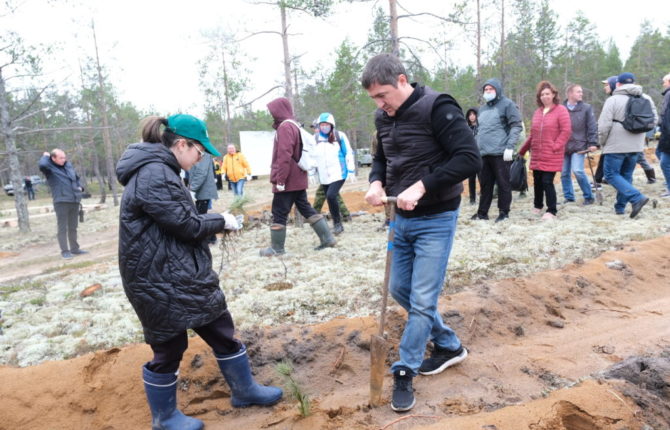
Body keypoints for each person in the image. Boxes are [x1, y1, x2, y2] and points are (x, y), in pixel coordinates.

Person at [116, 114, 282, 430]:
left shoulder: (164, 171)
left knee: (220, 327)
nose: (201, 157)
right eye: (199, 150)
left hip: (180, 272)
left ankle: (245, 390)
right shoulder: (154, 174)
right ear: (181, 144)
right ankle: (164, 418)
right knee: (169, 346)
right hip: (154, 277)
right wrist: (222, 220)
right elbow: (186, 225)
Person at [361, 54, 480, 412]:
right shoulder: (383, 117)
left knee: (423, 299)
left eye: (383, 95)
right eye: (374, 100)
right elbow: (383, 158)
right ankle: (448, 344)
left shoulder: (438, 107)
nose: (380, 105)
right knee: (400, 288)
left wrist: (423, 186)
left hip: (436, 219)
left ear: (401, 80)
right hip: (400, 218)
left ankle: (404, 369)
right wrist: (376, 181)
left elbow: (468, 158)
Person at [260, 97, 336, 256]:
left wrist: (280, 179)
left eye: (272, 111)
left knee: (279, 211)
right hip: (297, 178)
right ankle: (327, 238)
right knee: (305, 207)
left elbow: (284, 155)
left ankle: (276, 248)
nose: (271, 114)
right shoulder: (293, 125)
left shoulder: (285, 127)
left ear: (279, 110)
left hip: (287, 179)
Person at [598, 72, 657, 218]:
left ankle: (637, 198)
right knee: (626, 175)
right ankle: (620, 208)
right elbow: (654, 121)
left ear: (618, 84)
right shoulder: (646, 98)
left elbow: (604, 126)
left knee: (611, 175)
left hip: (615, 145)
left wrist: (602, 142)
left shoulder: (613, 100)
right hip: (637, 145)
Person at [518, 80, 572, 220]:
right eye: (542, 94)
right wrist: (522, 150)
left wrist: (556, 146)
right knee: (537, 181)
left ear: (553, 94)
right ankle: (538, 205)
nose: (545, 96)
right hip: (537, 153)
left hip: (552, 153)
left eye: (547, 93)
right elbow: (533, 134)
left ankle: (552, 210)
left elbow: (566, 131)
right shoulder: (537, 112)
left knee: (547, 181)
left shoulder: (561, 110)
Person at [472, 78, 523, 222]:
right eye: (486, 90)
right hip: (483, 154)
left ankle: (503, 212)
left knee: (503, 184)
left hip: (501, 153)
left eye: (491, 89)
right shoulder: (482, 109)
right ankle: (482, 213)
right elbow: (479, 131)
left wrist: (510, 147)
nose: (488, 92)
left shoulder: (507, 105)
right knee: (485, 185)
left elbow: (516, 126)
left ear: (497, 90)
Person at [311, 112, 355, 235]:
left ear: (332, 125)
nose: (324, 127)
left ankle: (338, 224)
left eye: (326, 124)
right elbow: (312, 157)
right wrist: (311, 172)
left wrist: (351, 169)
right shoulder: (315, 138)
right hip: (324, 175)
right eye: (322, 124)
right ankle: (337, 224)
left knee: (331, 195)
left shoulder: (339, 136)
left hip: (339, 173)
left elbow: (348, 152)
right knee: (330, 199)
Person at [39, 149, 87, 259]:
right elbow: (42, 165)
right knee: (62, 228)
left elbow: (76, 178)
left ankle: (75, 249)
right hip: (61, 201)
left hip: (74, 200)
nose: (63, 160)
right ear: (53, 158)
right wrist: (45, 156)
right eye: (61, 158)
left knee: (73, 227)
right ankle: (65, 251)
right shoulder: (49, 168)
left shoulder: (68, 166)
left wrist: (81, 187)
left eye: (64, 157)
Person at [561, 84, 598, 205]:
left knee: (577, 170)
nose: (581, 94)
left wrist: (593, 143)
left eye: (581, 92)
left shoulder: (586, 108)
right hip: (563, 146)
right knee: (564, 172)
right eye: (578, 92)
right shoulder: (560, 108)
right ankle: (569, 197)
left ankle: (589, 196)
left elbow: (592, 126)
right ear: (570, 94)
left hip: (580, 146)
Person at [189, 147, 219, 244]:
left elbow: (201, 173)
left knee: (201, 216)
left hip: (203, 191)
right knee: (202, 215)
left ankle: (210, 239)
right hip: (200, 191)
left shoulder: (204, 154)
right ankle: (211, 238)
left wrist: (192, 189)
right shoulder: (197, 152)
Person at [657, 72, 670, 198]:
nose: (663, 84)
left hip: (668, 136)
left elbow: (666, 117)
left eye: (664, 81)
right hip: (666, 134)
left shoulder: (669, 94)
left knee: (664, 162)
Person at [465, 107, 479, 205]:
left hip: (481, 155)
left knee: (483, 178)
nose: (472, 116)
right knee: (471, 178)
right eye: (470, 114)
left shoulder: (481, 127)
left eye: (474, 114)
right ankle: (472, 199)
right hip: (470, 157)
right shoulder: (466, 128)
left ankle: (485, 196)